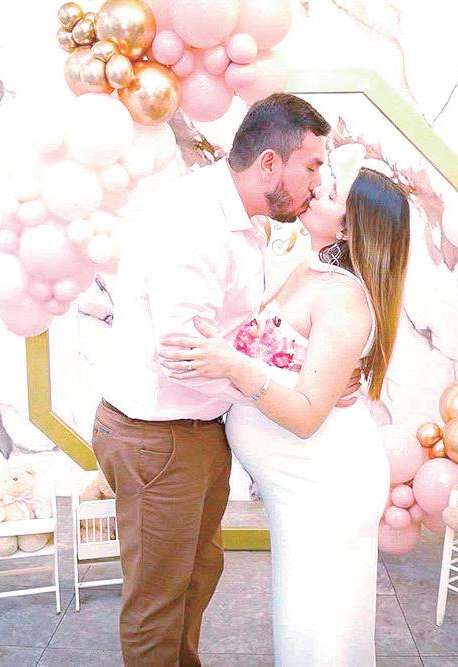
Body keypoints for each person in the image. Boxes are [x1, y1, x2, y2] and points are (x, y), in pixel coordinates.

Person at [93, 93, 339, 666]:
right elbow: (185, 356)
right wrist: (277, 389)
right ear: (270, 163)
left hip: (193, 429)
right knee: (159, 600)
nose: (316, 184)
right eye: (312, 166)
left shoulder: (236, 219)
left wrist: (288, 370)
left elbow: (230, 336)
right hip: (158, 436)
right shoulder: (195, 225)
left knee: (197, 575)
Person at [159, 152, 412, 664]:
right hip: (299, 483)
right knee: (303, 613)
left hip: (326, 483)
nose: (316, 188)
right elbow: (270, 348)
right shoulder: (313, 269)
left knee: (319, 622)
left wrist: (232, 366)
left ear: (350, 227)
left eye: (331, 192)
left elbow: (305, 416)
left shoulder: (343, 299)